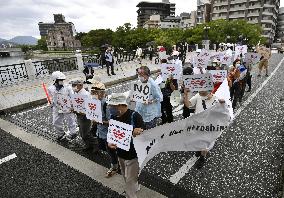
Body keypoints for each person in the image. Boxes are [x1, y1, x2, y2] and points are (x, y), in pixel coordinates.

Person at [107, 93, 144, 198]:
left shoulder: (135, 116)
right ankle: (135, 187)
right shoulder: (113, 117)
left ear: (121, 105)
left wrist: (138, 131)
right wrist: (110, 142)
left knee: (129, 180)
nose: (110, 108)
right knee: (124, 175)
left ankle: (130, 195)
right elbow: (111, 134)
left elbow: (144, 135)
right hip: (120, 153)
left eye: (113, 106)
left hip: (134, 155)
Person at [183, 88, 225, 169]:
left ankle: (202, 159)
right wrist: (186, 95)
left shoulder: (216, 98)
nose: (200, 90)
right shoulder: (198, 96)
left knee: (205, 145)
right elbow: (188, 105)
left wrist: (222, 103)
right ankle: (199, 150)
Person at [89, 79, 119, 177]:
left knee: (110, 150)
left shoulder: (106, 105)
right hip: (99, 131)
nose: (93, 94)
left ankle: (115, 166)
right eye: (92, 92)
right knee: (102, 147)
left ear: (101, 93)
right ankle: (117, 154)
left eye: (95, 92)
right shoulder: (93, 101)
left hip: (108, 133)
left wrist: (100, 122)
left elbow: (112, 122)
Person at [48, 71, 77, 141]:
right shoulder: (50, 88)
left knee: (70, 120)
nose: (61, 81)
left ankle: (73, 133)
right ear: (55, 80)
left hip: (67, 106)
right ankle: (61, 133)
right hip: (57, 107)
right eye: (59, 80)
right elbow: (50, 97)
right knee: (56, 121)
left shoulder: (68, 87)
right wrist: (50, 103)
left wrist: (73, 106)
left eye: (62, 80)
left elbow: (73, 97)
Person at [70, 78, 98, 152]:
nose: (73, 87)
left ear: (80, 85)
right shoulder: (76, 93)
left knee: (86, 133)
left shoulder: (85, 94)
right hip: (79, 115)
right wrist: (73, 108)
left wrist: (81, 112)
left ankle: (96, 144)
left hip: (85, 116)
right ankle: (88, 145)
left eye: (74, 85)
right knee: (82, 133)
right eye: (72, 85)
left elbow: (90, 107)